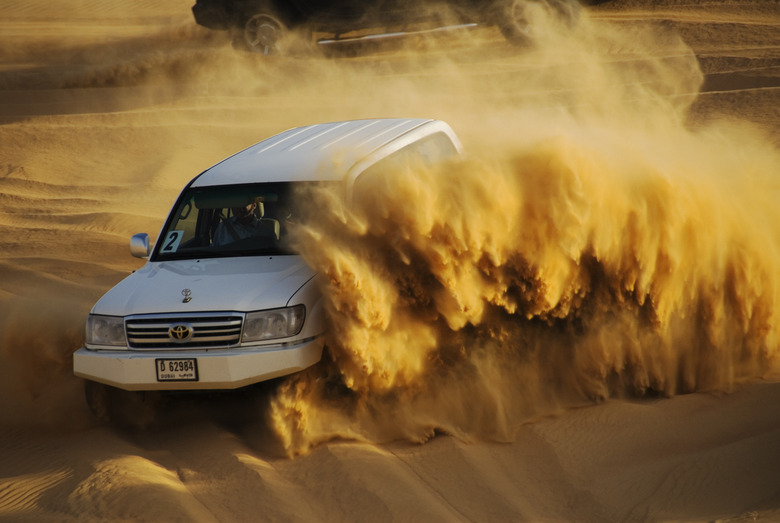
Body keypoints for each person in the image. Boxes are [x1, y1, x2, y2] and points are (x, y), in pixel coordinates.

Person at [212, 201, 277, 246]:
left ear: (254, 205)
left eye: (243, 203)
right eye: (235, 204)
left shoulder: (266, 233)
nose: (239, 208)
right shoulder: (223, 228)